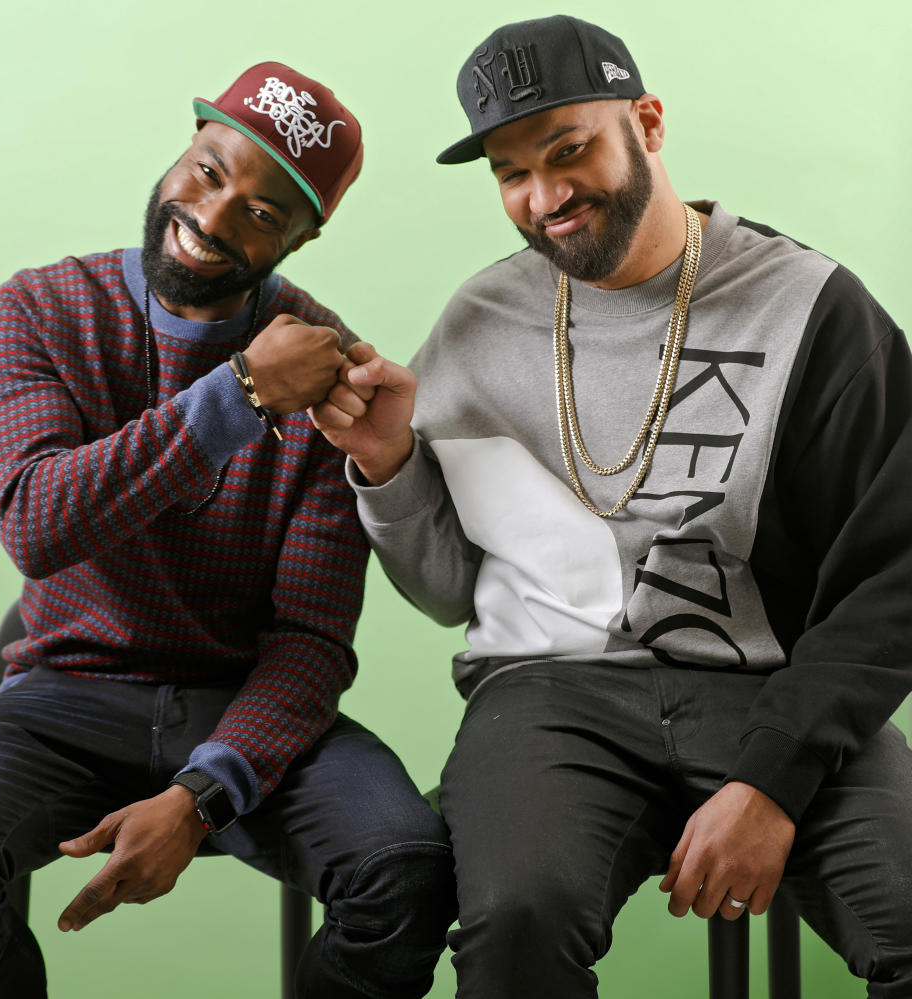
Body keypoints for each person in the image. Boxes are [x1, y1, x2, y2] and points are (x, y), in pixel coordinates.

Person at [309, 15, 912, 996]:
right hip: (549, 698)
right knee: (516, 924)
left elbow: (897, 570)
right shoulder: (479, 322)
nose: (544, 197)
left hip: (775, 688)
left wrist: (773, 779)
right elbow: (449, 588)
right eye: (510, 172)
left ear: (649, 122)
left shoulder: (808, 306)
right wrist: (388, 467)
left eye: (569, 150)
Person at [0, 61, 455, 999]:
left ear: (307, 235)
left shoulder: (331, 372)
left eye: (265, 213)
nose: (215, 217)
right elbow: (34, 520)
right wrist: (243, 396)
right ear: (184, 148)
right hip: (65, 696)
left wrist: (202, 794)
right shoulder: (42, 309)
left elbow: (309, 640)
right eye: (212, 171)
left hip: (244, 708)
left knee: (408, 870)